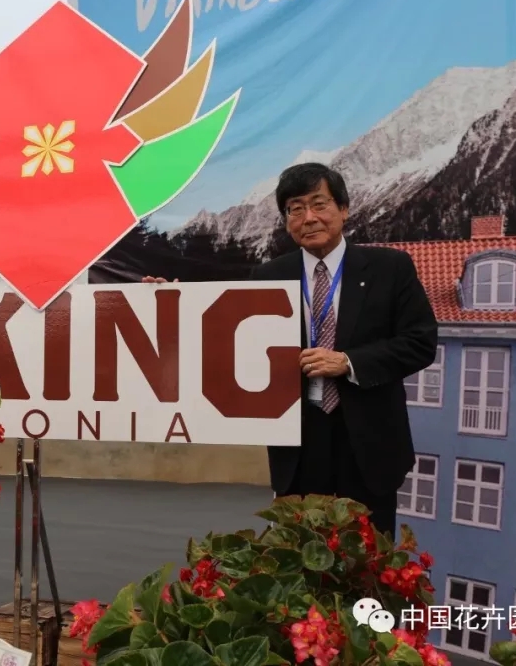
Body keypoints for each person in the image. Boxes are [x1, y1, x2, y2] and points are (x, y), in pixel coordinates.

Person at [144, 163, 438, 537]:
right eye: (295, 209)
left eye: (319, 204)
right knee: (298, 553)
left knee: (367, 556)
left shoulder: (389, 268)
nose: (308, 218)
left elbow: (420, 342)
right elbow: (227, 336)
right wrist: (170, 304)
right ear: (286, 222)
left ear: (344, 209)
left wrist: (348, 362)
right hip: (299, 440)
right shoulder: (268, 276)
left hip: (369, 440)